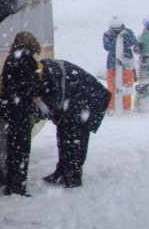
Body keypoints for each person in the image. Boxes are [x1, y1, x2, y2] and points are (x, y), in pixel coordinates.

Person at [39, 58, 111, 188]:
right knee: (64, 136)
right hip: (78, 102)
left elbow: (55, 99)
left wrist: (51, 114)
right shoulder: (51, 72)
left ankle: (73, 177)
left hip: (88, 103)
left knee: (75, 139)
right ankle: (62, 172)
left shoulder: (53, 75)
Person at [0, 31, 42, 196]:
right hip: (21, 110)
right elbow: (30, 87)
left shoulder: (10, 58)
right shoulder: (28, 60)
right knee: (22, 149)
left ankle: (11, 184)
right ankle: (19, 186)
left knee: (12, 149)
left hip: (9, 108)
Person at [102, 16, 137, 112]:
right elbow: (107, 46)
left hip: (127, 63)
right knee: (112, 87)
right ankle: (112, 107)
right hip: (112, 64)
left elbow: (133, 41)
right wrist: (117, 40)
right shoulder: (107, 34)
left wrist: (125, 37)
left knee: (127, 86)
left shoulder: (128, 32)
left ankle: (126, 107)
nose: (117, 31)